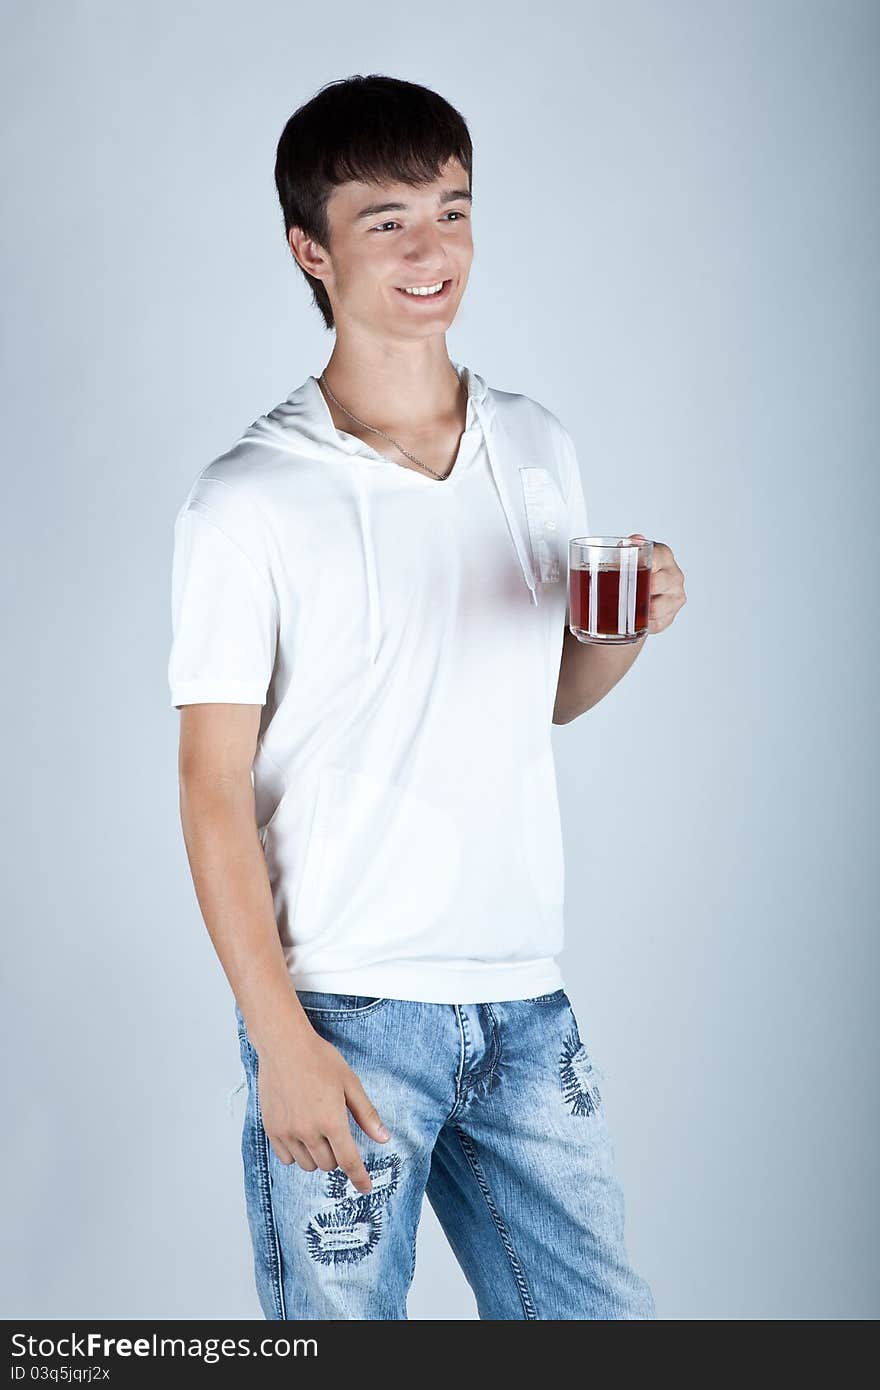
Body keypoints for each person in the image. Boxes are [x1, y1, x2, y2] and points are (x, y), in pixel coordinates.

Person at [168, 73, 665, 1320]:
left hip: (521, 997)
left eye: (452, 208)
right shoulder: (248, 497)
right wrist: (279, 1038)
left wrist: (634, 630)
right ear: (311, 251)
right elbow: (210, 785)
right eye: (386, 220)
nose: (432, 248)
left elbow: (543, 695)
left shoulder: (535, 443)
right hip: (345, 1004)